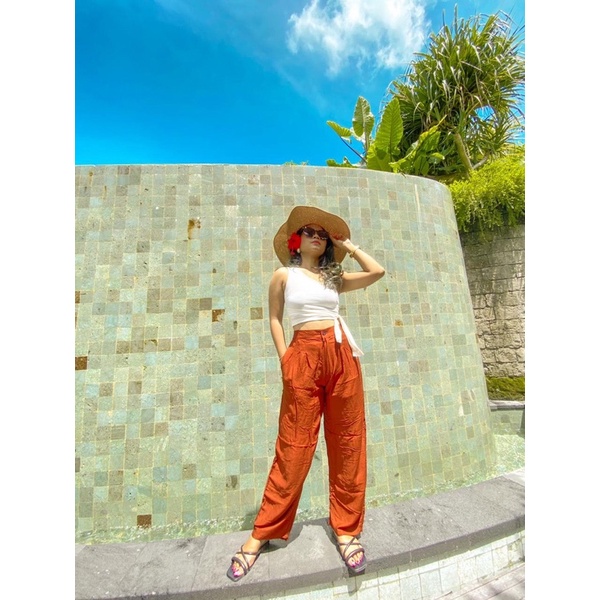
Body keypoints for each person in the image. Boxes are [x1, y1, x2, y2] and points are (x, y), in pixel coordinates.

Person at [226, 206, 385, 581]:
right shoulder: (284, 274)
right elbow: (274, 318)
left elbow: (377, 272)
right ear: (296, 240)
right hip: (303, 356)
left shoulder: (333, 278)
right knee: (294, 446)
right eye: (309, 231)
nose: (317, 236)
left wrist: (349, 245)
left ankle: (346, 530)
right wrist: (286, 359)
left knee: (348, 441)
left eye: (322, 233)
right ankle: (262, 532)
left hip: (341, 356)